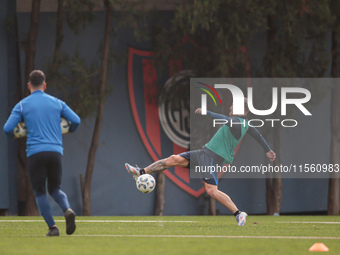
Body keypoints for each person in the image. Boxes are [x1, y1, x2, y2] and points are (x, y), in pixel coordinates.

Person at [125, 99, 276, 226]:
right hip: (205, 153)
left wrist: (207, 112)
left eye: (232, 105)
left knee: (211, 191)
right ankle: (140, 172)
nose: (230, 107)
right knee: (173, 159)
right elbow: (259, 136)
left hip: (212, 158)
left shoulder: (237, 121)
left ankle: (238, 213)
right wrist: (268, 150)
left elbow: (225, 119)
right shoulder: (246, 124)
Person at [3, 70, 81, 236]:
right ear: (45, 85)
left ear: (29, 85)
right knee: (55, 189)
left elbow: (7, 129)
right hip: (55, 151)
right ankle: (67, 209)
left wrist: (15, 135)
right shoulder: (58, 103)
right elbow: (76, 120)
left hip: (35, 152)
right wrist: (68, 131)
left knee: (39, 192)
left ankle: (53, 228)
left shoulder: (22, 105)